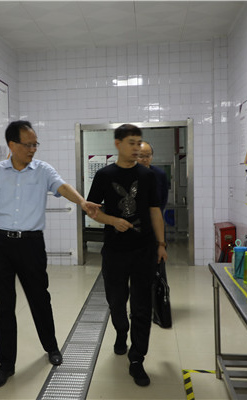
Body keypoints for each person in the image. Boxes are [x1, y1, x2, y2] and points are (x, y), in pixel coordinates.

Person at [0, 120, 100, 389]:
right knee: (4, 305)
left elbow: (62, 186)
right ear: (12, 145)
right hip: (1, 244)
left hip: (31, 244)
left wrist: (81, 201)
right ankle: (6, 365)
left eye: (35, 144)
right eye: (28, 144)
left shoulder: (43, 170)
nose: (33, 149)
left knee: (39, 298)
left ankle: (51, 347)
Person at [86, 124, 167, 387]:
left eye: (138, 142)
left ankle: (137, 358)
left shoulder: (147, 176)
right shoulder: (104, 175)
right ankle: (121, 331)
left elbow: (155, 211)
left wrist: (161, 244)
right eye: (131, 142)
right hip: (115, 251)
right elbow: (92, 210)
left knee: (142, 306)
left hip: (144, 250)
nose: (136, 147)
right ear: (118, 144)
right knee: (116, 302)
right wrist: (113, 221)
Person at [138, 141, 169, 213]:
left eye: (148, 156)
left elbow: (163, 198)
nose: (145, 160)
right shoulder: (128, 173)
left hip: (154, 215)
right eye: (141, 156)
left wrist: (157, 214)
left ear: (152, 156)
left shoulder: (160, 174)